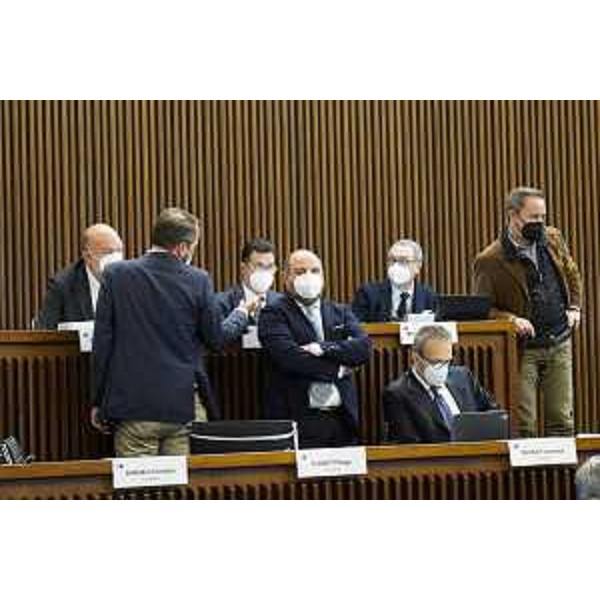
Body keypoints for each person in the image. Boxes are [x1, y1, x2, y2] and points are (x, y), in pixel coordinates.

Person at [91, 207, 243, 457]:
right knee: (182, 481)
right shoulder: (198, 279)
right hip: (183, 405)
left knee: (138, 481)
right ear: (182, 248)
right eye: (193, 247)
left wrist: (98, 400)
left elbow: (102, 344)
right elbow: (215, 339)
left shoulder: (117, 275)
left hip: (134, 408)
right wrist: (241, 314)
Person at [473, 187, 582, 438]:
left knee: (562, 421)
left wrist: (574, 307)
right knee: (525, 425)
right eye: (534, 217)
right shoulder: (490, 259)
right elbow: (483, 309)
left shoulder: (553, 238)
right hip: (522, 350)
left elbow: (572, 273)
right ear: (513, 215)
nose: (540, 223)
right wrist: (511, 319)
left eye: (543, 217)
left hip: (559, 340)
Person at [258, 249, 371, 448]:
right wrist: (338, 369)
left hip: (342, 417)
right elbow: (290, 357)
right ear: (285, 277)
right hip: (298, 419)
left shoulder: (340, 311)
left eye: (315, 270)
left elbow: (363, 348)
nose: (308, 277)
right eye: (300, 272)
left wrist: (323, 348)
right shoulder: (273, 313)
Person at [383, 324, 497, 444]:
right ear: (416, 357)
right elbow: (410, 446)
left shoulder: (463, 376)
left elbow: (493, 414)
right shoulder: (398, 394)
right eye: (435, 362)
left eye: (447, 362)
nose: (443, 368)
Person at [34, 223, 123, 329]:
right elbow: (44, 330)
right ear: (87, 256)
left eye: (119, 250)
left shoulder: (130, 280)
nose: (115, 257)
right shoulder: (63, 286)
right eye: (108, 252)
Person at [352, 238, 436, 322]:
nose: (396, 266)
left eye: (403, 261)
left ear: (418, 266)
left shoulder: (429, 297)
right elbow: (356, 326)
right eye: (392, 260)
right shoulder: (368, 294)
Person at [217, 237, 282, 342]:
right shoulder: (222, 302)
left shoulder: (282, 303)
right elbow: (217, 339)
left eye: (269, 266)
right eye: (259, 266)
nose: (265, 272)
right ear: (243, 268)